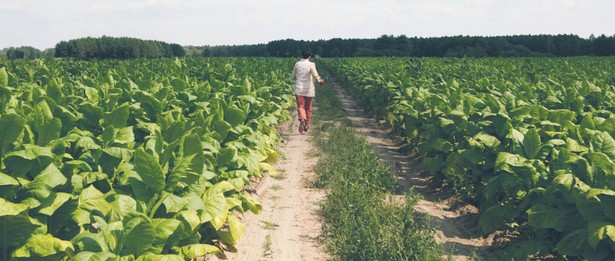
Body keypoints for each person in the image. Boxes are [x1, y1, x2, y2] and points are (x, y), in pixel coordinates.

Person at [291, 50, 325, 134]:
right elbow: (315, 74)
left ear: (301, 56)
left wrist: (298, 77)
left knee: (300, 106)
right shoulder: (311, 64)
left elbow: (292, 77)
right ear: (309, 57)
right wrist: (320, 80)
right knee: (308, 108)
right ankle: (306, 125)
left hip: (299, 88)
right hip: (309, 89)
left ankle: (302, 119)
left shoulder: (297, 64)